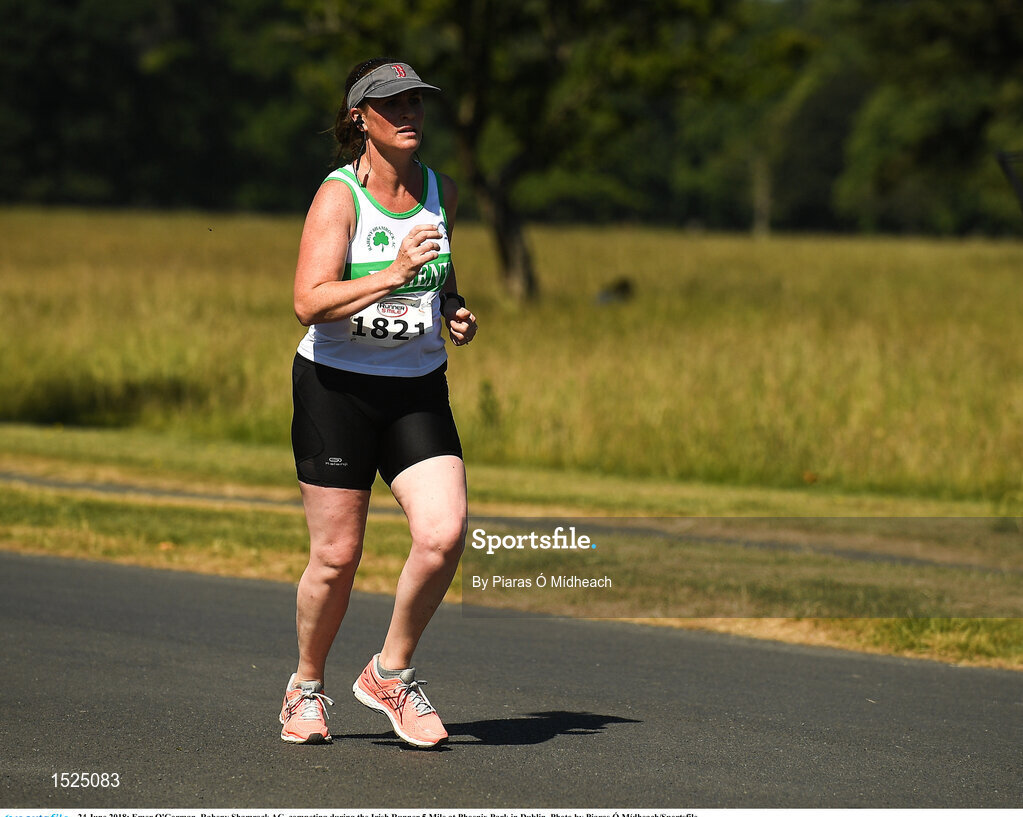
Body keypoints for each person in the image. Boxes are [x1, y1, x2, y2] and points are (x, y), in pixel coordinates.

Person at [279, 57, 477, 748]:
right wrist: (390, 273)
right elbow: (308, 301)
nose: (410, 115)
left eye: (418, 103)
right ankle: (306, 685)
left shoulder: (439, 190)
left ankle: (389, 671)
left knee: (444, 531)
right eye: (393, 105)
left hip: (416, 386)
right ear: (359, 117)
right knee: (337, 555)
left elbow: (441, 275)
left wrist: (452, 308)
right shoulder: (339, 198)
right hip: (337, 387)